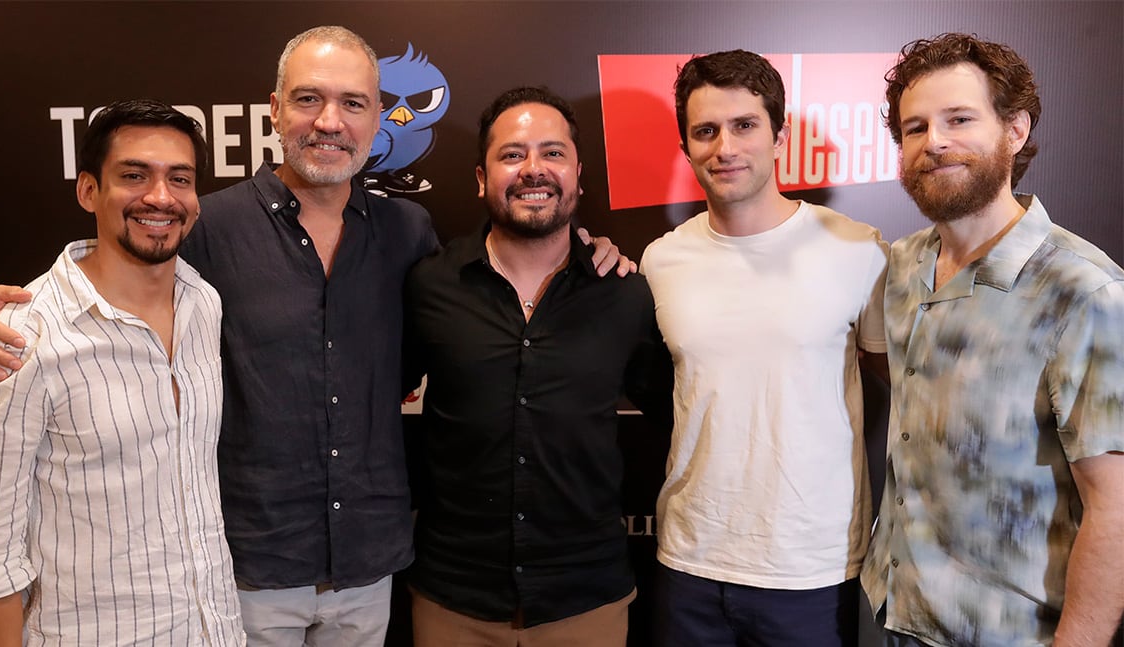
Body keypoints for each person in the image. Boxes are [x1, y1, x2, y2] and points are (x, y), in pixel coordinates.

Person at [0, 26, 628, 647]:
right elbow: (115, 276)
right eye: (310, 99)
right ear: (275, 110)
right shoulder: (207, 226)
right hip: (245, 572)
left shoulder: (407, 232)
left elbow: (493, 288)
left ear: (377, 119)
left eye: (353, 104)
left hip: (370, 568)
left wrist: (592, 252)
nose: (330, 122)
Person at [0, 99, 243, 645]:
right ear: (87, 191)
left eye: (180, 178)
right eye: (134, 175)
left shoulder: (204, 304)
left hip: (213, 628)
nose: (160, 197)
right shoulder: (17, 335)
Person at [860, 33, 1124, 647]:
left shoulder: (1084, 291)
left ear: (1015, 129)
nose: (935, 142)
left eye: (959, 119)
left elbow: (1114, 509)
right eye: (915, 127)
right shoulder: (899, 268)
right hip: (893, 615)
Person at [402, 86, 671, 647]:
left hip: (586, 597)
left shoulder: (623, 293)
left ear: (578, 175)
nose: (533, 170)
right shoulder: (429, 284)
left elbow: (678, 413)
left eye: (552, 153)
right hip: (454, 597)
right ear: (481, 178)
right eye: (512, 154)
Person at [639, 50, 889, 646]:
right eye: (706, 131)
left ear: (779, 136)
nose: (725, 147)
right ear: (686, 148)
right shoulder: (659, 260)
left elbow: (898, 388)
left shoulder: (858, 250)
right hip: (689, 562)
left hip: (812, 569)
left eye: (744, 125)